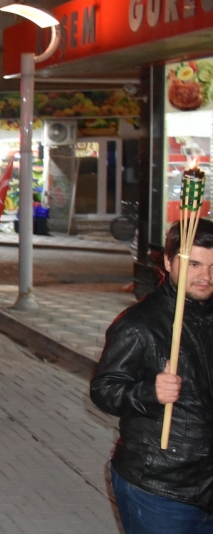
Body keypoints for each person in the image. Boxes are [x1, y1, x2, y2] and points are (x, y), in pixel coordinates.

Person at [91, 219, 213, 533]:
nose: (206, 276)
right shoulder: (139, 324)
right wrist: (149, 393)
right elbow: (104, 390)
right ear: (169, 262)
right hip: (159, 488)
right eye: (195, 264)